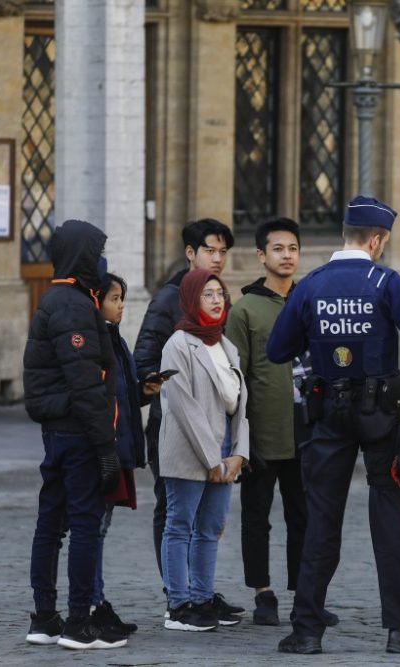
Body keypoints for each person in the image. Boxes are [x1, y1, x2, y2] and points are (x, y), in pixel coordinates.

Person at [267, 195, 400, 655]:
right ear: (377, 239)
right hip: (380, 415)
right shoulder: (385, 282)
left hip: (328, 414)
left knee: (321, 519)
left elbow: (277, 350)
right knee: (388, 517)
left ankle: (306, 629)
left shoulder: (311, 284)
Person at [226, 217, 339, 628]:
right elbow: (233, 380)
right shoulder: (244, 311)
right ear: (261, 255)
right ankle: (262, 592)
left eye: (292, 248)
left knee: (304, 516)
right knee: (257, 517)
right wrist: (238, 440)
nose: (287, 256)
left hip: (307, 430)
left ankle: (303, 596)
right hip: (261, 432)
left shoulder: (310, 300)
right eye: (278, 249)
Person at [133, 218, 244, 620]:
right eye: (209, 250)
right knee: (174, 513)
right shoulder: (170, 300)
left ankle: (201, 594)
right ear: (190, 253)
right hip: (174, 428)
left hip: (218, 429)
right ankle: (176, 597)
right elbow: (143, 361)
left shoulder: (216, 297)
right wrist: (179, 393)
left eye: (222, 252)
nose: (217, 258)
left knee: (208, 520)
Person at [23, 219, 126, 650]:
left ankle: (45, 617)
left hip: (58, 430)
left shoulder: (59, 299)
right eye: (95, 253)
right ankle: (78, 622)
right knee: (82, 523)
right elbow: (86, 383)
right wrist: (105, 446)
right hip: (77, 434)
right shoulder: (73, 305)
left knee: (51, 522)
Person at [159, 269, 249, 631]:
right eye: (207, 294)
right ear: (191, 300)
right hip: (190, 449)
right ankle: (179, 605)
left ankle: (202, 597)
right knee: (180, 525)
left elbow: (240, 403)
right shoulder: (178, 344)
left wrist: (239, 452)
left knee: (211, 527)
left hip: (224, 446)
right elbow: (183, 406)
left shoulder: (227, 346)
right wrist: (212, 458)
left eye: (220, 294)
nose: (216, 300)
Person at [90, 272, 164, 637]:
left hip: (116, 445)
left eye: (123, 299)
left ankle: (96, 600)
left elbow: (121, 391)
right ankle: (90, 603)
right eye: (115, 298)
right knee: (93, 528)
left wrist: (143, 390)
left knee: (100, 528)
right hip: (102, 449)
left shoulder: (114, 338)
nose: (121, 306)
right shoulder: (95, 339)